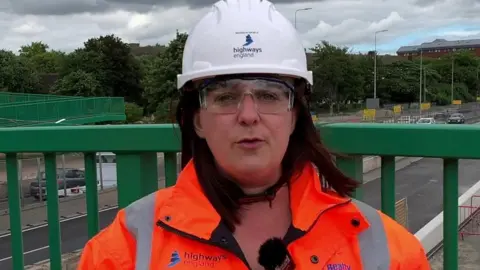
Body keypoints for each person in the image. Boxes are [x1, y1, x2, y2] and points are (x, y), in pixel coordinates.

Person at [78, 0, 430, 269]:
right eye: (226, 96)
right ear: (197, 120)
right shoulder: (125, 248)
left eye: (269, 94)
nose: (248, 116)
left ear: (294, 116)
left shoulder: (384, 248)